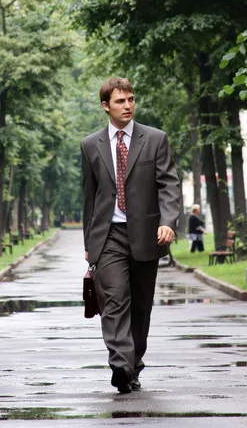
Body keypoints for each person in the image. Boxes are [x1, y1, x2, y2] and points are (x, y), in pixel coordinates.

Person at [80, 77, 180, 394]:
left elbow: (168, 185)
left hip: (147, 235)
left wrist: (168, 221)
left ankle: (134, 365)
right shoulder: (90, 146)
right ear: (106, 106)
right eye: (120, 101)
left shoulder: (155, 139)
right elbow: (89, 198)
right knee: (114, 302)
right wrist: (89, 243)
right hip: (108, 236)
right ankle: (120, 366)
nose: (127, 105)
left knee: (140, 307)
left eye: (131, 99)